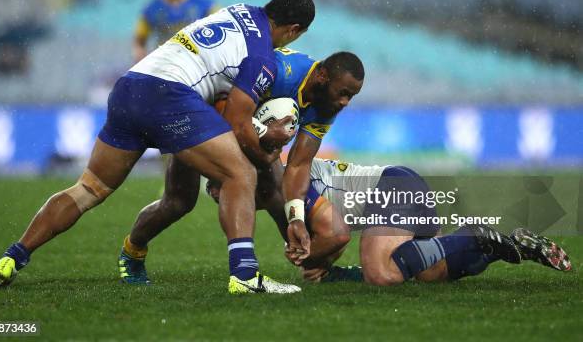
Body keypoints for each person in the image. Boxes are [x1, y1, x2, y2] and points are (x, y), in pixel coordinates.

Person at [0, 0, 315, 295]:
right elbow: (238, 124)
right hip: (171, 97)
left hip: (130, 87)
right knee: (241, 173)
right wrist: (267, 153)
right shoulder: (262, 57)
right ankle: (244, 275)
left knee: (90, 189)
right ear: (294, 29)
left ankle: (14, 256)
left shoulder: (239, 10)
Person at [119, 47, 365, 293]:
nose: (345, 102)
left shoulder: (326, 106)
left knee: (278, 192)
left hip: (248, 137)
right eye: (343, 93)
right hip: (199, 118)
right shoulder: (280, 71)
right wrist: (263, 132)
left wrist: (297, 218)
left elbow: (299, 164)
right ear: (322, 76)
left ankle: (315, 268)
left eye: (351, 96)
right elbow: (221, 102)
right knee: (178, 202)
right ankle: (133, 251)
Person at [207, 158, 572, 285]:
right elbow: (325, 233)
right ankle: (507, 244)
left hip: (392, 188)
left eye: (221, 190)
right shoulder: (280, 197)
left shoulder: (289, 186)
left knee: (380, 273)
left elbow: (335, 235)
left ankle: (479, 234)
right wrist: (321, 262)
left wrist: (316, 258)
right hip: (399, 187)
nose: (222, 198)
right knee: (428, 271)